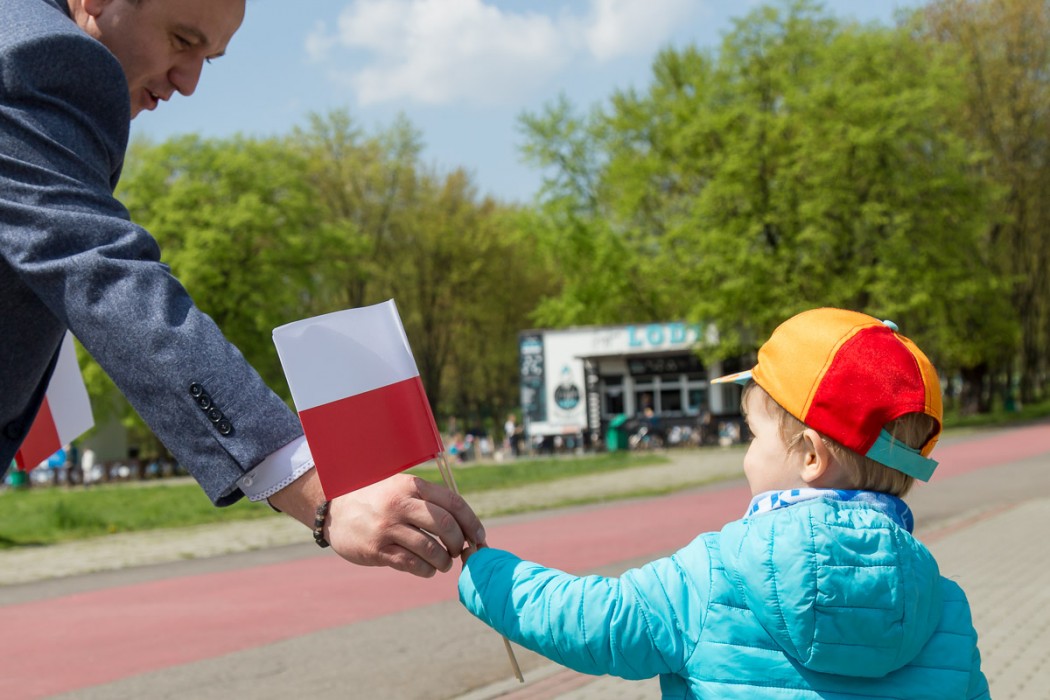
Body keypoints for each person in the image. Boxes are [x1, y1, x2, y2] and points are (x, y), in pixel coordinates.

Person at [0, 0, 484, 578]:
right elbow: (103, 273)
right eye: (182, 41)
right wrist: (319, 488)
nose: (189, 82)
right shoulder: (39, 56)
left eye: (209, 59)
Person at [458, 308, 988, 698]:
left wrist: (485, 571)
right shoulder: (945, 607)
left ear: (810, 456)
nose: (747, 451)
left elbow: (594, 622)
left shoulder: (709, 576)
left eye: (753, 434)